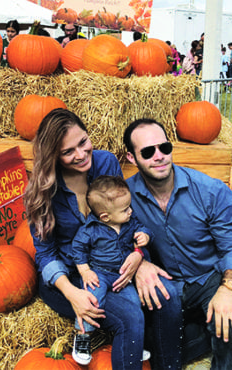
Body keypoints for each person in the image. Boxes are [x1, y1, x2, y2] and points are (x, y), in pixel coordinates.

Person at [123, 119, 232, 370]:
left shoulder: (210, 191)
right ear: (131, 157)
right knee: (150, 347)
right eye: (148, 152)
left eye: (164, 147)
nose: (159, 156)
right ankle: (201, 334)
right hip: (166, 281)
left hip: (209, 277)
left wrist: (228, 288)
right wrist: (141, 263)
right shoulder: (125, 196)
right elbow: (112, 238)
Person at [24, 109, 146, 370]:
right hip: (65, 275)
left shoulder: (106, 163)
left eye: (83, 142)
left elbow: (122, 216)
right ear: (53, 156)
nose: (80, 154)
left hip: (106, 267)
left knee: (155, 299)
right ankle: (89, 339)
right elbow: (45, 254)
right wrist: (73, 294)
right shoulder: (42, 189)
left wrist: (138, 254)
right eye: (68, 152)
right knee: (128, 317)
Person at [71, 175, 153, 365]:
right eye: (125, 209)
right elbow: (78, 249)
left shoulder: (129, 223)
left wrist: (144, 237)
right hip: (98, 272)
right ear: (105, 217)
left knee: (134, 303)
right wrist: (85, 272)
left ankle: (135, 344)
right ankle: (83, 338)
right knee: (94, 300)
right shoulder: (90, 229)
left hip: (122, 275)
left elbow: (145, 229)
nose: (131, 211)